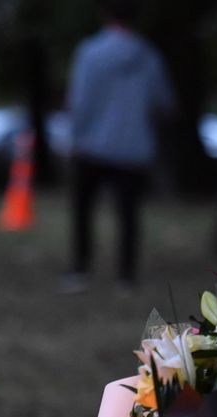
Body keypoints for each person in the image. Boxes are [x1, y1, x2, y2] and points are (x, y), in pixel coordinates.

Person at [61, 0, 175, 294]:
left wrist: (75, 136)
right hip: (133, 147)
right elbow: (164, 102)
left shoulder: (90, 53)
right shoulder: (148, 56)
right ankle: (126, 275)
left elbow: (80, 101)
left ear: (104, 14)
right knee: (128, 215)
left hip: (91, 146)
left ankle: (80, 270)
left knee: (84, 211)